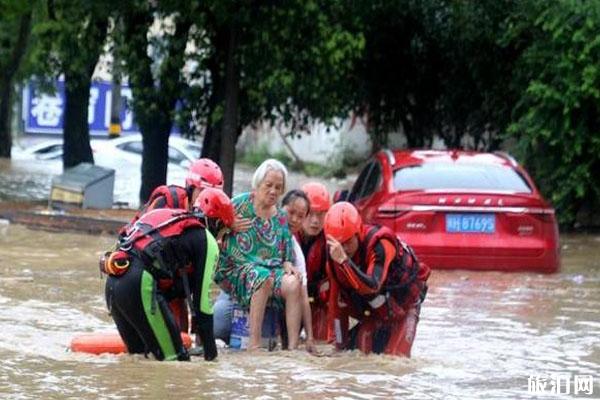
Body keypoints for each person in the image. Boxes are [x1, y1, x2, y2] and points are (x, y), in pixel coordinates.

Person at [103, 189, 234, 361]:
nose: (220, 240)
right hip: (138, 284)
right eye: (223, 232)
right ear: (216, 222)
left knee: (139, 360)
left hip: (113, 283)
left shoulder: (170, 218)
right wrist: (212, 358)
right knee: (175, 363)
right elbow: (203, 306)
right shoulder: (206, 239)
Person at [119, 158, 224, 331]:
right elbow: (141, 244)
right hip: (146, 275)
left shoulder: (213, 219)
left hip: (176, 283)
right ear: (190, 189)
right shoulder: (166, 203)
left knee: (182, 331)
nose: (209, 199)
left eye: (214, 194)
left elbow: (203, 282)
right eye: (203, 192)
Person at [214, 159, 303, 350]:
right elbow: (212, 230)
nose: (273, 191)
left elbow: (286, 252)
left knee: (293, 282)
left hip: (270, 271)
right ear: (258, 183)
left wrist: (288, 263)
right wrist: (228, 226)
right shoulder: (238, 205)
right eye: (268, 185)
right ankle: (254, 345)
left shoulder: (280, 217)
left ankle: (293, 348)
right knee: (261, 278)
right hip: (238, 269)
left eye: (278, 187)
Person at [323, 202, 430, 356]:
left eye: (347, 242)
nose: (343, 249)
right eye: (339, 244)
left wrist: (344, 261)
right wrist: (336, 344)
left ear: (358, 232)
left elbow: (373, 285)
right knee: (357, 352)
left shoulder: (381, 243)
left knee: (396, 359)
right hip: (375, 311)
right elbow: (336, 303)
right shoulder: (334, 255)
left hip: (404, 306)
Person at [281, 189, 316, 352]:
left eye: (300, 216)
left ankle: (292, 347)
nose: (294, 219)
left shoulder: (296, 251)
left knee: (297, 280)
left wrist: (310, 337)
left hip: (273, 307)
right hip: (236, 300)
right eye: (291, 212)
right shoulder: (264, 228)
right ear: (281, 207)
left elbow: (304, 295)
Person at [298, 182, 331, 341]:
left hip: (318, 302)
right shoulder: (284, 232)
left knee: (321, 343)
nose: (315, 221)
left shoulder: (333, 239)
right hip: (291, 300)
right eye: (310, 214)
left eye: (321, 214)